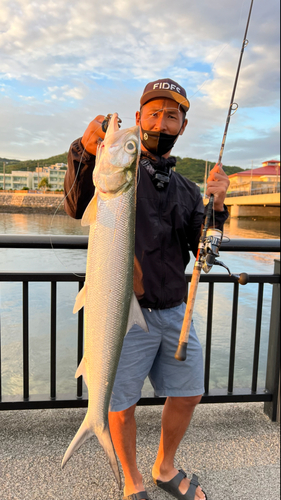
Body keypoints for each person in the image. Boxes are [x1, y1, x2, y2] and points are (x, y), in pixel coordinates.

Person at [64, 78, 230, 500]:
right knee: (119, 403)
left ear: (182, 126)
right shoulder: (117, 175)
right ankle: (132, 479)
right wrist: (84, 151)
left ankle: (164, 466)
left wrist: (219, 208)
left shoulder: (189, 191)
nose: (161, 122)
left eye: (171, 115)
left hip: (175, 309)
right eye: (153, 113)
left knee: (189, 393)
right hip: (123, 310)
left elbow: (203, 249)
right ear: (138, 120)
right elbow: (76, 203)